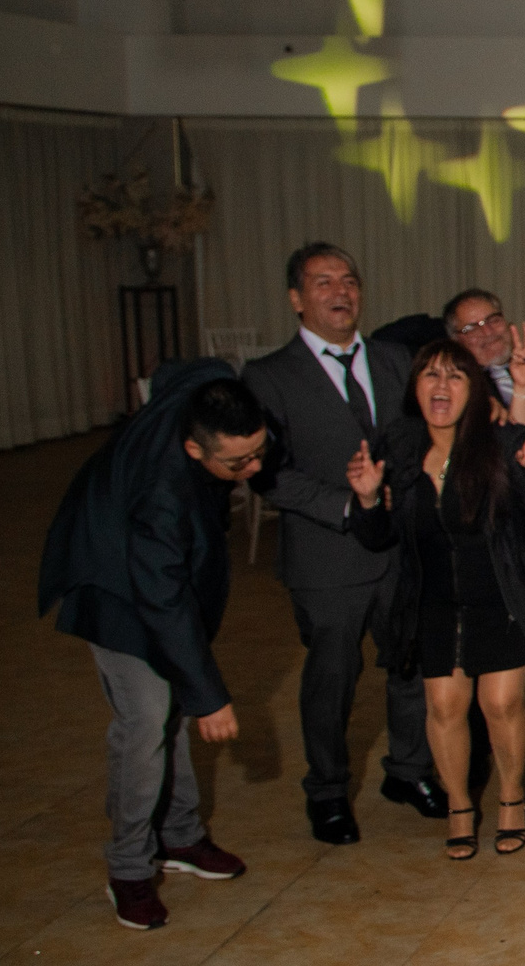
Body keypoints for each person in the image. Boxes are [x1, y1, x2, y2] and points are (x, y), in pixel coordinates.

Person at [38, 361, 260, 929]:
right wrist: (210, 695)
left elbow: (187, 372)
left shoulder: (205, 398)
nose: (253, 468)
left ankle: (180, 838)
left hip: (146, 571)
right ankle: (130, 869)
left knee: (174, 713)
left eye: (258, 451)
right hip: (114, 589)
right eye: (238, 463)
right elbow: (162, 600)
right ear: (192, 448)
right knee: (147, 720)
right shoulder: (162, 490)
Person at [345, 340, 525, 857]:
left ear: (473, 390)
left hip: (501, 595)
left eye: (454, 377)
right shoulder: (399, 448)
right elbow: (377, 536)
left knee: (501, 702)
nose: (441, 387)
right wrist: (365, 500)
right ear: (415, 388)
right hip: (433, 601)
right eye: (430, 376)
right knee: (445, 706)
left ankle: (513, 797)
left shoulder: (500, 443)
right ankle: (459, 805)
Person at [241, 242, 438, 843]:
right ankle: (326, 790)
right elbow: (268, 473)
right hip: (328, 554)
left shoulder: (394, 359)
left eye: (349, 280)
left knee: (410, 663)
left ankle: (407, 769)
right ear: (297, 300)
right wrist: (347, 506)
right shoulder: (269, 376)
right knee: (333, 677)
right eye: (323, 282)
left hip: (399, 547)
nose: (340, 292)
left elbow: (415, 439)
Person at [445, 289, 517, 405]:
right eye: (472, 328)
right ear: (456, 341)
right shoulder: (459, 390)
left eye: (493, 320)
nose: (488, 332)